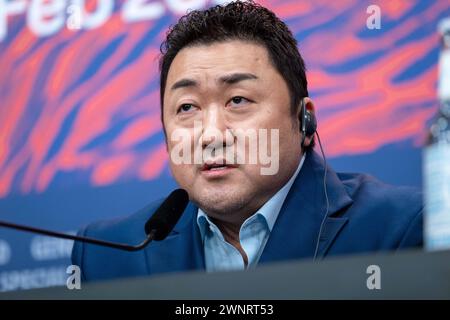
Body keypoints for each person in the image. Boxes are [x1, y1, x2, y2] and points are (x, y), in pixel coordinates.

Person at [72, 1, 422, 282]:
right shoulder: (109, 254)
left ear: (304, 120)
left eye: (238, 100)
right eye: (187, 107)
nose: (210, 134)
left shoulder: (399, 228)